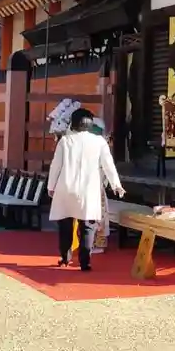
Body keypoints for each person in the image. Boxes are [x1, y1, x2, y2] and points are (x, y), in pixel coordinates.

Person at [47, 106, 124, 272]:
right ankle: (85, 262)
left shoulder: (65, 141)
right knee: (88, 226)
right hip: (89, 189)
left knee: (66, 225)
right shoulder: (99, 142)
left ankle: (65, 257)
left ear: (73, 124)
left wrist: (51, 186)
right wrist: (116, 185)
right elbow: (108, 165)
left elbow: (55, 166)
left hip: (66, 187)